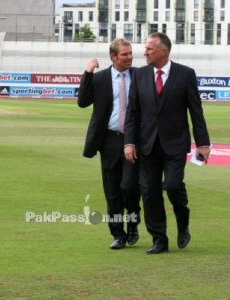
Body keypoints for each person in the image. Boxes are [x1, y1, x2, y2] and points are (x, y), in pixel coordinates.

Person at [124, 32, 211, 254]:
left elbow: (195, 111)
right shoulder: (139, 75)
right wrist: (129, 143)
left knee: (173, 186)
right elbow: (132, 113)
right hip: (147, 144)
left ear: (164, 50)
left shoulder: (186, 74)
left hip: (175, 143)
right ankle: (159, 239)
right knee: (149, 192)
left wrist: (203, 143)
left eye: (149, 49)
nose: (144, 53)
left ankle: (183, 223)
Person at [77, 38, 141, 250]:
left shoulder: (140, 76)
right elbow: (83, 102)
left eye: (130, 53)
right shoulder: (101, 78)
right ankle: (118, 234)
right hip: (109, 140)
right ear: (113, 57)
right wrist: (87, 74)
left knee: (129, 187)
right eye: (125, 54)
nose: (129, 57)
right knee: (112, 190)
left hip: (133, 140)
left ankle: (133, 224)